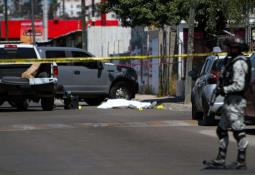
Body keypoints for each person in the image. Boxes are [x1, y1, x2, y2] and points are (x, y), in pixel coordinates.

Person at [203, 37, 251, 169]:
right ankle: (220, 159)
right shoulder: (232, 61)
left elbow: (239, 85)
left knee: (238, 131)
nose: (228, 49)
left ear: (236, 48)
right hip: (229, 101)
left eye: (230, 47)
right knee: (221, 129)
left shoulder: (239, 63)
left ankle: (241, 161)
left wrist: (224, 89)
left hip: (236, 101)